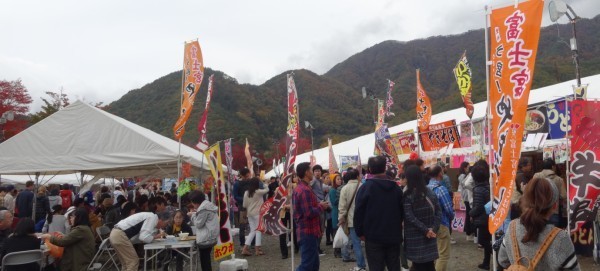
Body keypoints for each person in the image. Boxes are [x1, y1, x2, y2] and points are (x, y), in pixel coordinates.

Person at [498, 177, 580, 270]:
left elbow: (502, 261)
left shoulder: (512, 228)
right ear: (554, 206)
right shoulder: (561, 238)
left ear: (524, 201)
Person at [354, 156, 404, 271]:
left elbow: (358, 212)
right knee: (394, 265)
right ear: (385, 167)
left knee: (376, 266)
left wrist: (359, 232)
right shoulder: (396, 189)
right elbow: (402, 211)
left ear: (370, 169)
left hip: (372, 236)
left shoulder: (365, 188)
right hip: (393, 235)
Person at [403, 165, 440, 271]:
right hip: (430, 236)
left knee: (418, 266)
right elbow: (438, 212)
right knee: (430, 265)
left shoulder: (408, 195)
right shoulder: (430, 192)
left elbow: (409, 216)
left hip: (415, 238)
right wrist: (433, 229)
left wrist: (425, 230)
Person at [294, 162, 329, 271]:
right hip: (307, 231)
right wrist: (321, 207)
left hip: (310, 231)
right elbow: (308, 213)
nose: (313, 173)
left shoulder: (303, 187)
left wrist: (319, 205)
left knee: (314, 265)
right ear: (306, 172)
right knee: (307, 265)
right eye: (311, 170)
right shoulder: (304, 190)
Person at [427, 165, 454, 271]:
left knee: (433, 255)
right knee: (443, 255)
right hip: (442, 223)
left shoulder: (425, 188)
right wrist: (451, 217)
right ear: (439, 174)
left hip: (428, 225)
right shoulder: (441, 189)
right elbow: (448, 209)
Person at [338, 168, 367, 271]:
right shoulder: (363, 186)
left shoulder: (344, 189)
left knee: (356, 244)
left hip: (352, 221)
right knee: (368, 243)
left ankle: (361, 266)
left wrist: (341, 219)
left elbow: (342, 207)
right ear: (357, 176)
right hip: (365, 220)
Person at [188, 191, 218, 271]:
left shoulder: (203, 209)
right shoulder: (208, 205)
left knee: (205, 261)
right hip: (211, 236)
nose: (193, 205)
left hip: (206, 238)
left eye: (193, 203)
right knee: (206, 259)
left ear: (196, 202)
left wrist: (192, 216)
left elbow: (198, 224)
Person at [532, 158, 567, 227]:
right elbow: (564, 195)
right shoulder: (559, 179)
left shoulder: (536, 176)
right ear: (553, 167)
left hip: (539, 210)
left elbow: (532, 191)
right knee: (553, 235)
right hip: (553, 211)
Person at [469, 165, 492, 270]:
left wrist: (471, 213)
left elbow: (478, 207)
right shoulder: (488, 186)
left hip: (482, 219)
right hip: (489, 217)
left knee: (483, 241)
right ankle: (486, 262)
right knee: (487, 240)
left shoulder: (478, 189)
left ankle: (499, 256)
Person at [242, 177, 269, 256]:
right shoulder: (258, 191)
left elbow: (244, 205)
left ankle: (245, 248)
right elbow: (267, 189)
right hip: (258, 213)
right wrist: (263, 183)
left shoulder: (246, 192)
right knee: (258, 230)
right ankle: (257, 250)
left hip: (250, 214)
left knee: (253, 231)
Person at [309, 164, 327, 256]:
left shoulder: (320, 181)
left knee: (321, 227)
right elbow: (308, 187)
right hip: (317, 206)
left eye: (319, 171)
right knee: (319, 228)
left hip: (321, 206)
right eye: (316, 171)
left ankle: (317, 247)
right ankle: (316, 249)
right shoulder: (313, 181)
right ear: (313, 172)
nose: (317, 172)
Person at [232, 168, 252, 246]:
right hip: (243, 206)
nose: (249, 176)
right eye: (248, 175)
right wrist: (245, 199)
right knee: (243, 226)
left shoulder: (251, 182)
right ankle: (243, 244)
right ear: (244, 175)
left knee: (252, 226)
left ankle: (251, 243)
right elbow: (235, 196)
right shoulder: (237, 184)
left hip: (250, 206)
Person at [457, 161, 474, 240]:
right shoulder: (463, 176)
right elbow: (465, 185)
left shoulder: (462, 175)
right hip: (466, 197)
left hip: (465, 197)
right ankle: (468, 233)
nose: (468, 168)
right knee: (468, 214)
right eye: (468, 167)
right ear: (464, 168)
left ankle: (468, 232)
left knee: (468, 214)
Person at [329, 173, 342, 258]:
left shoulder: (339, 189)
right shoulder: (333, 190)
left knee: (340, 231)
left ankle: (339, 250)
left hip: (339, 211)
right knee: (336, 231)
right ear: (334, 181)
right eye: (337, 179)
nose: (340, 180)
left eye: (340, 179)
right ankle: (336, 251)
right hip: (335, 212)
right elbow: (334, 202)